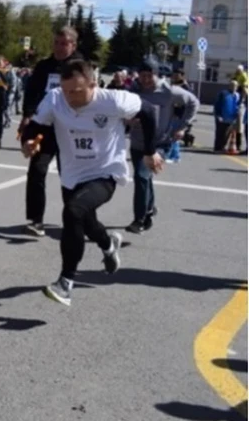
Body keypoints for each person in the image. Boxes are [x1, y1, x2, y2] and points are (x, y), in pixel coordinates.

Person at [22, 59, 161, 307]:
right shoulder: (55, 98)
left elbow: (149, 111)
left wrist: (150, 152)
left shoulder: (113, 100)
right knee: (86, 222)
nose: (70, 97)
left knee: (73, 211)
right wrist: (30, 143)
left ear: (93, 84)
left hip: (105, 174)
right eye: (66, 91)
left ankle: (65, 282)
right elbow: (35, 126)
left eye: (76, 91)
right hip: (72, 175)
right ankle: (109, 244)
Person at [20, 26, 82, 236]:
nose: (58, 47)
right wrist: (27, 115)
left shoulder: (80, 66)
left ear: (73, 45)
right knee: (36, 170)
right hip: (44, 128)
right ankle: (36, 220)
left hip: (70, 128)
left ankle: (74, 218)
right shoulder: (44, 66)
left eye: (63, 43)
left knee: (71, 175)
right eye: (56, 42)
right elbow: (32, 92)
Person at [126, 59, 198, 233]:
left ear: (157, 75)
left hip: (159, 142)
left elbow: (193, 102)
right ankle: (149, 208)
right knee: (145, 177)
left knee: (142, 176)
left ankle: (140, 219)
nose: (145, 80)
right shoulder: (132, 91)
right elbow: (122, 110)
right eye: (142, 76)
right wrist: (127, 119)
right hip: (138, 142)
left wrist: (182, 126)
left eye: (149, 76)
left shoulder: (168, 91)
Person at [214, 81, 241, 153]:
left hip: (231, 118)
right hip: (222, 117)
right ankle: (217, 148)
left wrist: (236, 114)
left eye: (235, 86)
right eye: (232, 85)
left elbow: (237, 105)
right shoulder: (223, 94)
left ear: (237, 87)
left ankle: (222, 147)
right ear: (229, 86)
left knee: (227, 134)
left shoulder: (237, 95)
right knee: (220, 133)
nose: (233, 87)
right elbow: (217, 105)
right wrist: (218, 115)